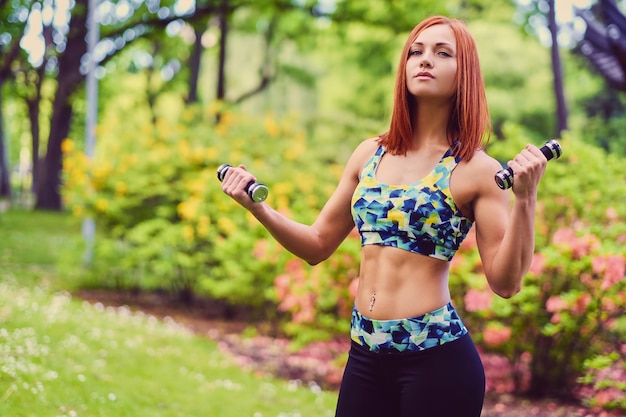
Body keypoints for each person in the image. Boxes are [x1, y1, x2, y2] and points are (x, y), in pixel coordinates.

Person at [220, 15, 548, 417]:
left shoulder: (475, 169)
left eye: (443, 53)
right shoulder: (369, 154)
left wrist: (526, 198)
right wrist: (258, 207)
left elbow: (506, 283)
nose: (425, 60)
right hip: (366, 356)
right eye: (417, 51)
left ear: (465, 74)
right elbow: (317, 244)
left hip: (437, 361)